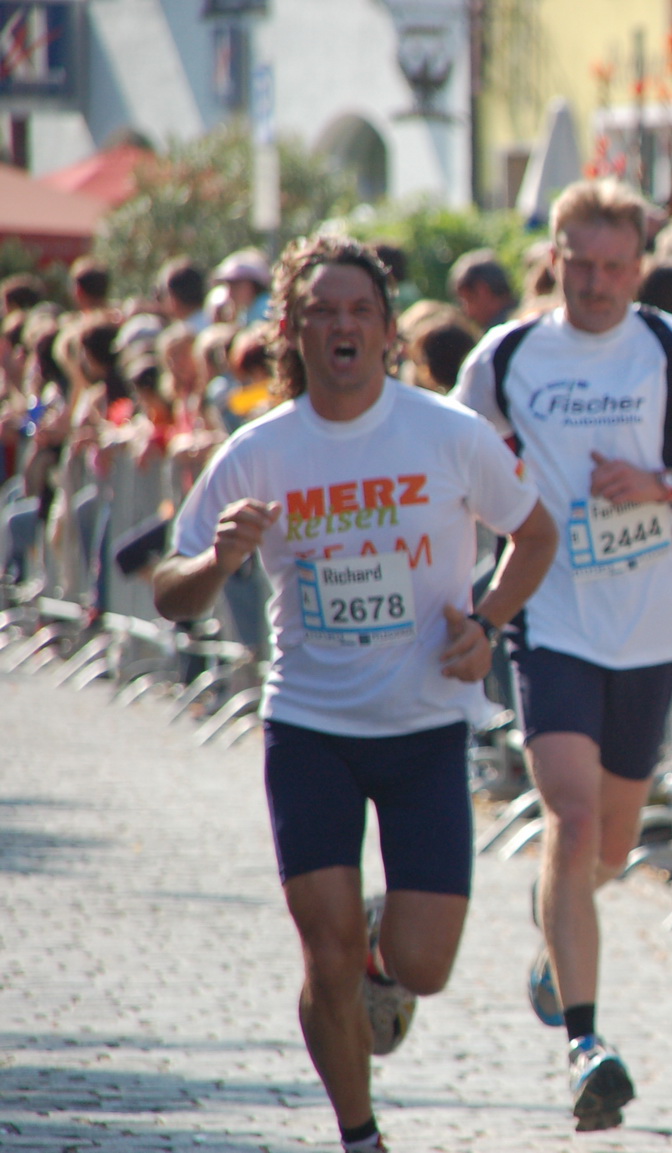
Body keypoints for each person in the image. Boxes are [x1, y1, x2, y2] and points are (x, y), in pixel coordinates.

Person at [152, 235, 558, 1153]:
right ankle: (360, 1134)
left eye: (359, 311)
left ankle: (383, 942)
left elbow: (536, 535)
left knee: (422, 964)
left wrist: (486, 622)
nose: (342, 325)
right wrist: (219, 560)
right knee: (324, 953)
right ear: (293, 330)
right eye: (322, 312)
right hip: (309, 726)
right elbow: (170, 594)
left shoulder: (447, 434)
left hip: (422, 730)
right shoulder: (260, 450)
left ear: (385, 332)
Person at [452, 178, 672, 1130]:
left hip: (651, 623)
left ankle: (559, 925)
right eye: (578, 263)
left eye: (614, 266)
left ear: (640, 265)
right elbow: (450, 472)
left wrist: (658, 483)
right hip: (548, 618)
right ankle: (587, 1044)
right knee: (575, 820)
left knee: (612, 845)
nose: (595, 282)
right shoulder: (504, 357)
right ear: (551, 257)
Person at [448, 249, 517, 333]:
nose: (467, 312)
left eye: (468, 300)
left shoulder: (498, 335)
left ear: (483, 291)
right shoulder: (532, 317)